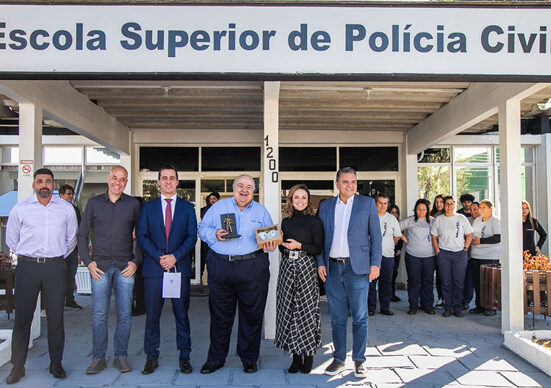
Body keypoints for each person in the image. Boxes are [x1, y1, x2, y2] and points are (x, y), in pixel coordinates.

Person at [198, 174, 277, 374]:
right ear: (233, 188)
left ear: (253, 190)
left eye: (249, 187)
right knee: (219, 316)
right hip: (221, 266)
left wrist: (270, 244)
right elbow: (202, 228)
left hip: (253, 267)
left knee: (252, 316)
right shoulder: (218, 207)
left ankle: (249, 359)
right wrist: (213, 234)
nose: (244, 190)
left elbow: (270, 240)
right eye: (240, 186)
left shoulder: (261, 211)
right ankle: (216, 359)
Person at [6, 168, 78, 384]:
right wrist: (30, 256)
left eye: (48, 181)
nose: (44, 185)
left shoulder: (66, 209)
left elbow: (71, 239)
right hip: (27, 268)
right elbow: (12, 240)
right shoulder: (20, 209)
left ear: (54, 185)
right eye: (40, 181)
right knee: (22, 320)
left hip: (55, 268)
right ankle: (18, 366)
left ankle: (56, 363)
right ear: (34, 185)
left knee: (56, 319)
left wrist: (54, 257)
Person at [317, 167, 382, 379]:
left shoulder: (367, 204)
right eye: (345, 182)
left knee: (360, 317)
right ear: (337, 184)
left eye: (353, 181)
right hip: (333, 268)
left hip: (358, 268)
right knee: (337, 317)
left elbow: (376, 237)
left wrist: (375, 264)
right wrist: (320, 262)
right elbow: (320, 239)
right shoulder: (325, 206)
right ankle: (338, 359)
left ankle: (359, 361)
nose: (350, 185)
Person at [78, 166, 142, 375]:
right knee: (98, 314)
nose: (118, 182)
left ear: (125, 182)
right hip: (100, 267)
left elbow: (142, 235)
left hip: (125, 267)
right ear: (108, 179)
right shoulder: (94, 203)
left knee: (124, 314)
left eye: (122, 179)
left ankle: (120, 357)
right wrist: (88, 262)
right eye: (115, 178)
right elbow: (81, 235)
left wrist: (136, 261)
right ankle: (98, 358)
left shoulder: (133, 204)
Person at [136, 165, 198, 375]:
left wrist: (174, 257)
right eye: (164, 178)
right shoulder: (148, 207)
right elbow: (142, 236)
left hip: (178, 268)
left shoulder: (188, 208)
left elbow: (191, 237)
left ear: (178, 182)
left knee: (182, 314)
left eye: (172, 178)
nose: (168, 181)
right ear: (159, 182)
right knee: (152, 315)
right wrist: (160, 257)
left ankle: (185, 356)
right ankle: (151, 356)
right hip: (155, 269)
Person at [275, 184, 323, 374]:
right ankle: (295, 357)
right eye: (296, 198)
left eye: (303, 198)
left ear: (308, 201)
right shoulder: (286, 222)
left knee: (306, 310)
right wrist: (280, 241)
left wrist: (299, 245)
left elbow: (318, 248)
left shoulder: (314, 222)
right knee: (288, 309)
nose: (300, 201)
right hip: (287, 267)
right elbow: (283, 249)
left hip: (306, 267)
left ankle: (308, 355)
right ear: (291, 200)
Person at [431, 196, 473, 317]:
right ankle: (447, 307)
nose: (449, 206)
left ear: (455, 205)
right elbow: (434, 237)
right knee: (446, 281)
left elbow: (469, 235)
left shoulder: (461, 218)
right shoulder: (439, 219)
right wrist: (438, 251)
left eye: (452, 204)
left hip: (459, 254)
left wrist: (465, 249)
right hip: (444, 254)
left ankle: (457, 307)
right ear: (444, 205)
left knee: (459, 282)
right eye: (447, 204)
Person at [400, 199, 436, 315]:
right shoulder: (410, 220)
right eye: (419, 209)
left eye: (424, 209)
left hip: (429, 257)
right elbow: (396, 228)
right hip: (412, 256)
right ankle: (413, 306)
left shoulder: (434, 221)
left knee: (428, 281)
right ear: (415, 209)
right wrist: (405, 240)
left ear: (428, 210)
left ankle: (428, 306)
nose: (421, 211)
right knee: (413, 282)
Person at [368, 194, 401, 316]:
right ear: (375, 203)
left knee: (386, 283)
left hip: (387, 256)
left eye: (385, 203)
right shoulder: (369, 216)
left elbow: (397, 235)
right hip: (371, 256)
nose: (383, 206)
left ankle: (384, 307)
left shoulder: (392, 219)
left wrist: (389, 244)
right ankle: (371, 308)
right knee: (371, 283)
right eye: (380, 203)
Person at [470, 200, 500, 316]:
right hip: (476, 256)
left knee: (490, 283)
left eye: (484, 208)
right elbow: (473, 235)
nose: (482, 210)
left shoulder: (495, 221)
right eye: (480, 207)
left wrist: (481, 241)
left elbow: (498, 238)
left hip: (490, 256)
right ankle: (480, 305)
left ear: (491, 209)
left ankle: (491, 307)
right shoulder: (477, 220)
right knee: (478, 282)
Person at [58, 184, 82, 310]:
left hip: (73, 249)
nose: (71, 196)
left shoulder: (75, 210)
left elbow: (80, 228)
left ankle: (70, 299)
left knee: (71, 275)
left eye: (72, 194)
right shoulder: (55, 209)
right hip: (58, 249)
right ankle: (58, 300)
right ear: (61, 195)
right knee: (58, 276)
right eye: (68, 194)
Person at [200, 192, 220, 283]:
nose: (212, 200)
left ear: (218, 199)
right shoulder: (203, 210)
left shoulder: (221, 209)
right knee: (206, 258)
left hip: (218, 238)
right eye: (210, 199)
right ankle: (204, 280)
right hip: (206, 238)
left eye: (214, 199)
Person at [430, 194, 444, 307]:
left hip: (445, 249)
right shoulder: (431, 215)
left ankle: (446, 297)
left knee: (445, 275)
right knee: (438, 276)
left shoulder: (447, 215)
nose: (438, 204)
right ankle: (440, 297)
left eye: (441, 202)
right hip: (433, 249)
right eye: (437, 202)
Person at [389, 205, 403, 302]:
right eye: (392, 212)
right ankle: (388, 294)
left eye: (396, 212)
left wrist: (399, 249)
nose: (394, 214)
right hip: (387, 252)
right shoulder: (386, 223)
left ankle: (392, 294)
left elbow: (401, 238)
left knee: (394, 274)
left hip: (396, 253)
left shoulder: (399, 224)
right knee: (389, 275)